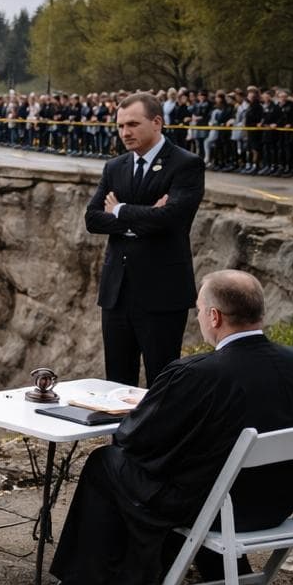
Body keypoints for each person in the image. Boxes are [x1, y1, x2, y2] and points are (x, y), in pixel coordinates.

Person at [50, 270, 293, 585]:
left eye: (198, 309)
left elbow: (135, 439)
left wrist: (145, 410)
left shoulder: (197, 374)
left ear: (214, 317)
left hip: (215, 509)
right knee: (199, 473)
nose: (197, 316)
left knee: (107, 463)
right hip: (279, 504)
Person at [84, 91, 205, 387]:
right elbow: (92, 219)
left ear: (157, 123)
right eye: (121, 126)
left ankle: (160, 436)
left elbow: (172, 219)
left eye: (133, 124)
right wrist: (145, 217)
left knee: (161, 381)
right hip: (117, 292)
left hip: (161, 293)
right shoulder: (115, 167)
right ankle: (121, 436)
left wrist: (120, 211)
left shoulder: (185, 164)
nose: (125, 132)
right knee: (116, 381)